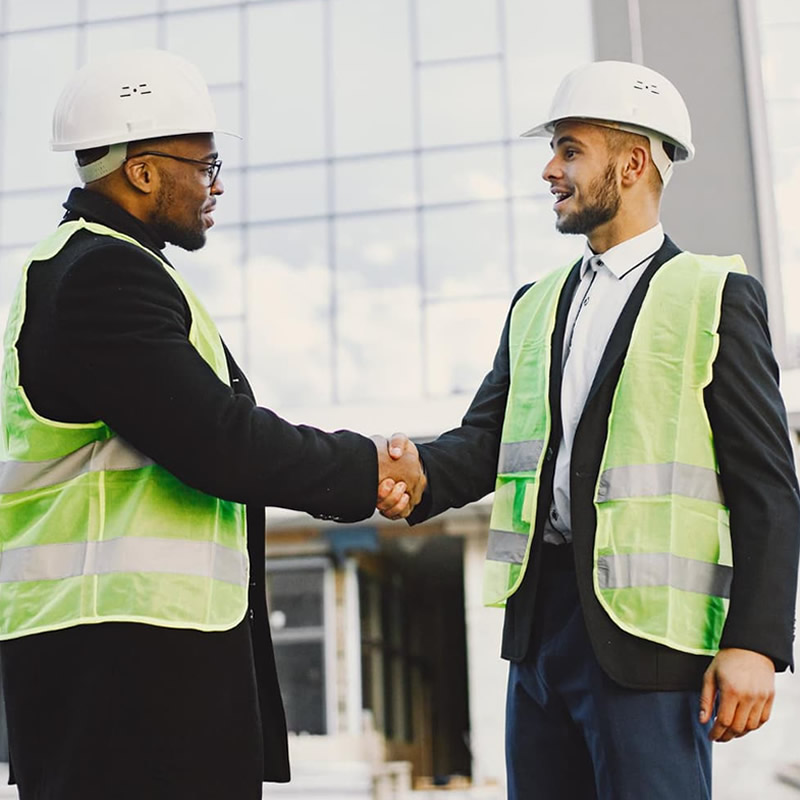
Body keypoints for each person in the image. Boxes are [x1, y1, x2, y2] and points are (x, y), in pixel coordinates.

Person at [0, 49, 422, 800]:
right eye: (205, 163)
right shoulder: (103, 275)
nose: (216, 182)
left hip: (120, 657)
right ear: (142, 172)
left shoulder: (93, 268)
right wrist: (369, 469)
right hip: (125, 669)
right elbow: (219, 441)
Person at [379, 60, 800, 799]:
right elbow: (485, 443)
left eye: (569, 150)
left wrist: (756, 643)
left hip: (647, 642)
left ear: (633, 163)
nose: (549, 169)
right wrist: (417, 474)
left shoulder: (715, 296)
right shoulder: (536, 304)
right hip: (540, 633)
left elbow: (768, 486)